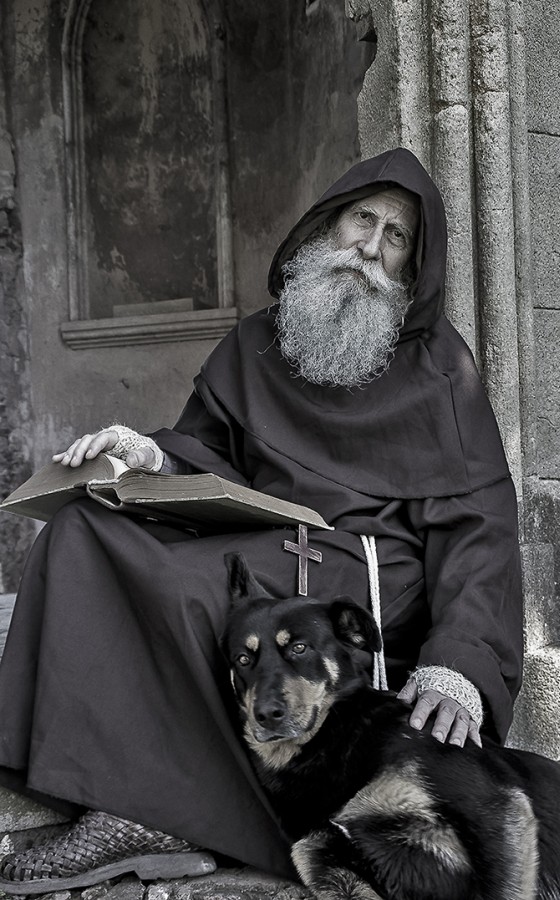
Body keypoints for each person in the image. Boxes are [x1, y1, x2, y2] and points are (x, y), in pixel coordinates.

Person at [0, 148, 523, 892]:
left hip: (370, 570)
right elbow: (209, 446)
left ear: (413, 268)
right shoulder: (259, 340)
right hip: (265, 535)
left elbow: (482, 526)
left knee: (186, 589)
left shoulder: (441, 370)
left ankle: (157, 812)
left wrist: (461, 660)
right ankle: (115, 790)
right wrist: (149, 455)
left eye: (396, 237)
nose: (370, 248)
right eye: (361, 221)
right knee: (81, 535)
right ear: (326, 226)